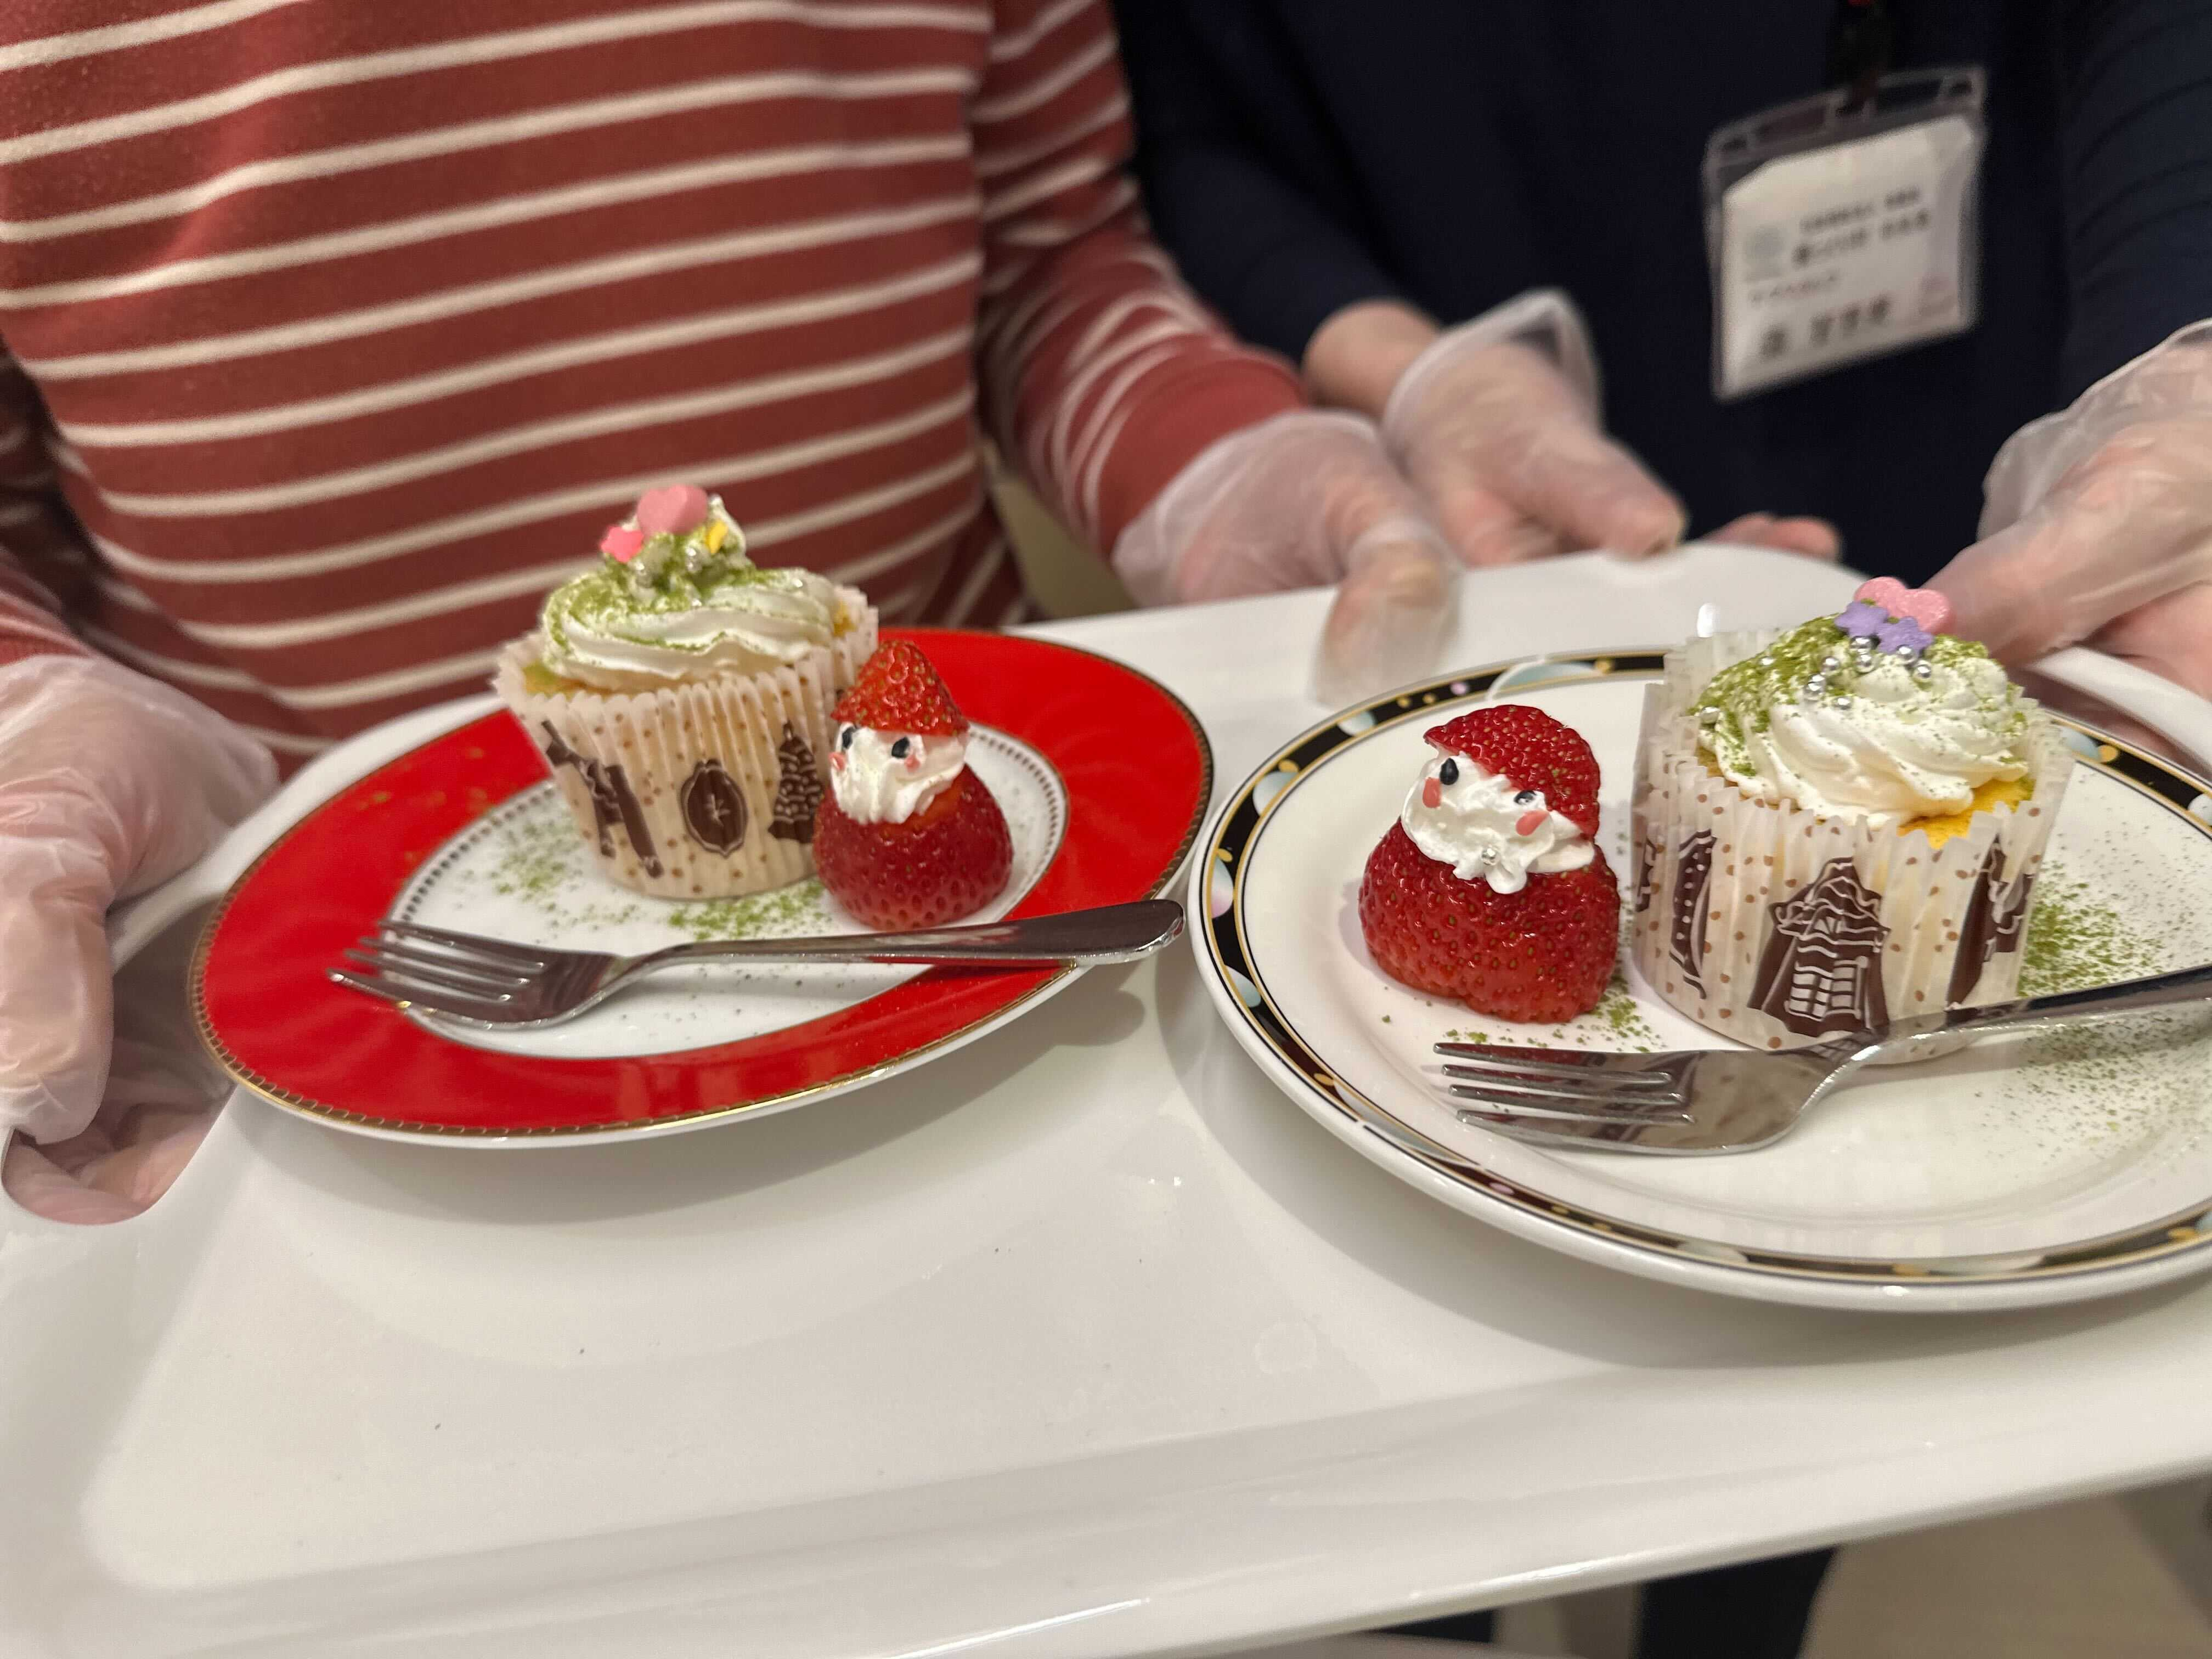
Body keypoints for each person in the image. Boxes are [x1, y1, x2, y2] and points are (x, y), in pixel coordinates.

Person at [0, 0, 1486, 1221]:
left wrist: (1203, 460)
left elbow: (1044, 255)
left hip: (1013, 913)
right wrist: (41, 733)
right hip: (298, 985)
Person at [1110, 0, 2212, 698]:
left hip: (2014, 304)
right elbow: (1171, 111)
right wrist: (1407, 369)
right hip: (1464, 327)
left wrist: (2179, 355)